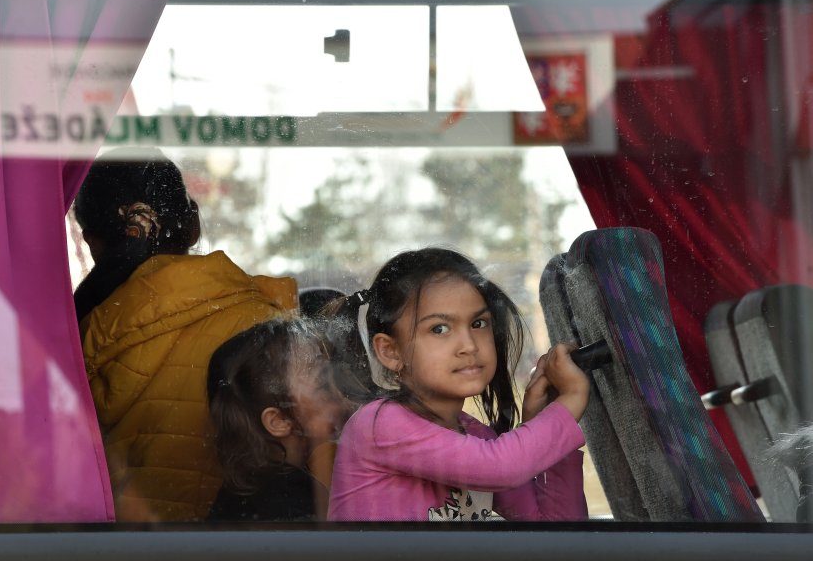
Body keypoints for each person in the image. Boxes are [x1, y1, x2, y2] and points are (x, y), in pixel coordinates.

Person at [74, 152, 297, 522]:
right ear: (193, 225)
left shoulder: (72, 339)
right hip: (244, 557)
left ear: (92, 242)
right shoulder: (265, 326)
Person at [327, 247, 589, 522]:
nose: (469, 345)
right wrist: (567, 404)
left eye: (478, 323)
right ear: (391, 351)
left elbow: (555, 528)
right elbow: (500, 467)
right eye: (439, 329)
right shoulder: (378, 424)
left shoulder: (476, 438)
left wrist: (547, 419)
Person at [206, 317, 351, 522]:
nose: (340, 397)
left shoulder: (248, 492)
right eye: (323, 386)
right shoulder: (290, 502)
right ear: (279, 421)